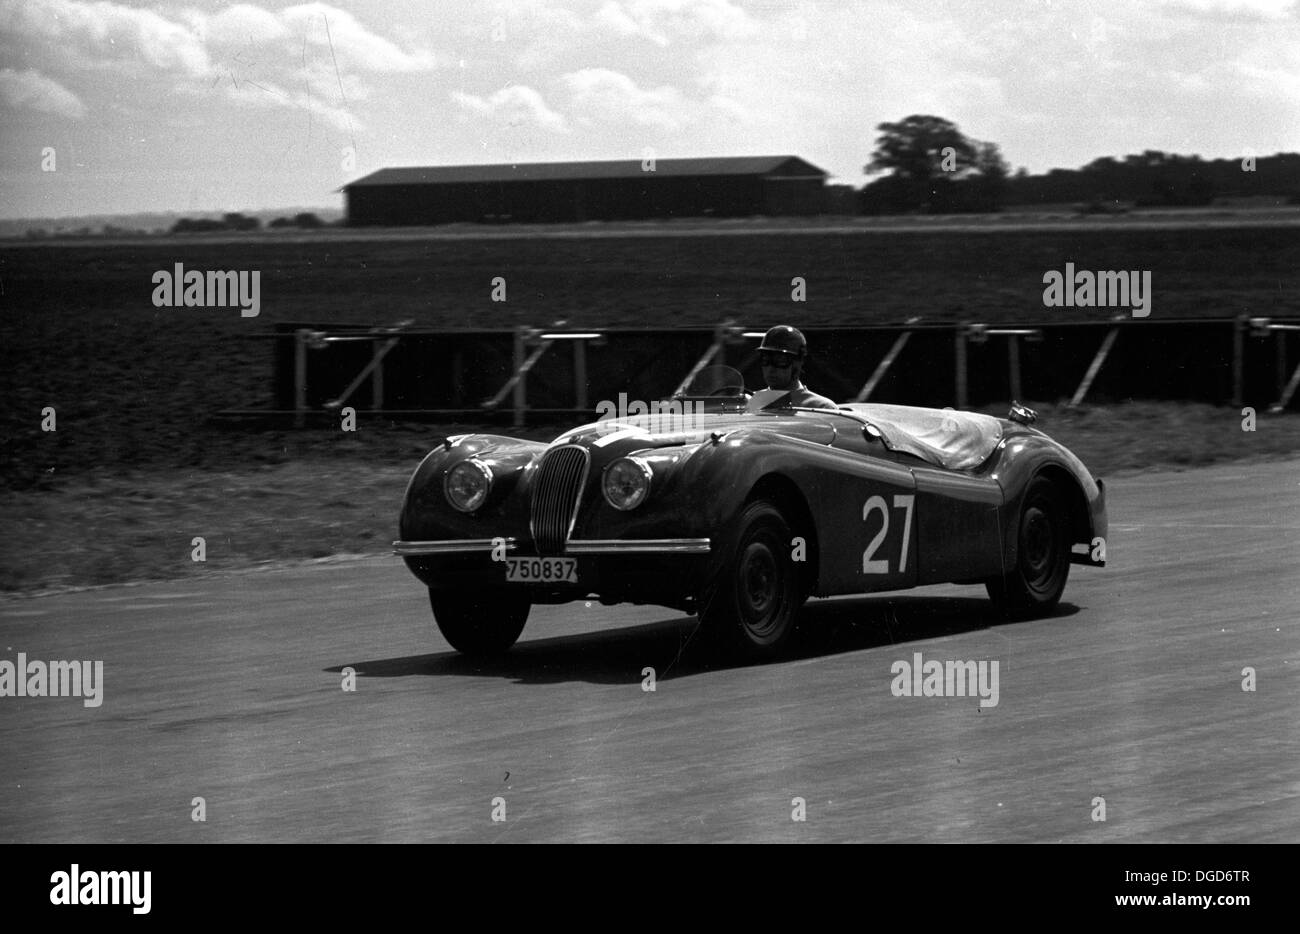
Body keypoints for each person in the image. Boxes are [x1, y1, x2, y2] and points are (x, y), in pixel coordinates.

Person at [757, 325, 837, 410]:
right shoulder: (752, 402)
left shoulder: (821, 407)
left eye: (780, 361)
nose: (770, 369)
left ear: (798, 363)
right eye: (765, 360)